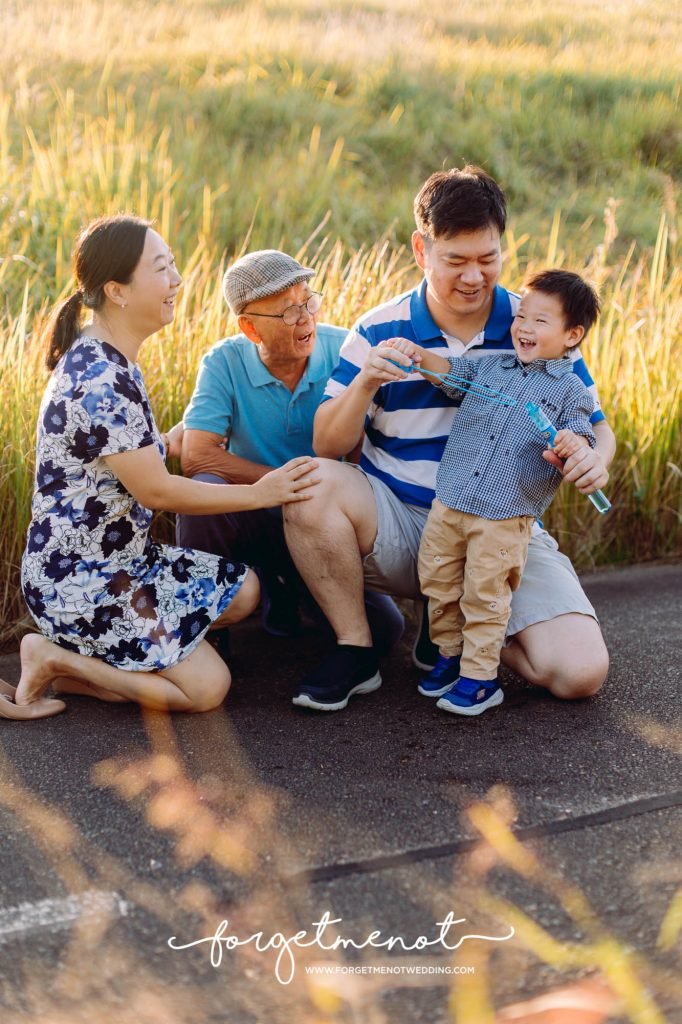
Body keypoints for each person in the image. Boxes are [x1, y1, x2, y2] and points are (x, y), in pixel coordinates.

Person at [285, 165, 615, 712]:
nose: (473, 276)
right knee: (310, 484)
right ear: (422, 249)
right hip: (402, 520)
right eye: (455, 260)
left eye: (487, 259)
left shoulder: (535, 321)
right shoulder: (379, 326)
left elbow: (595, 425)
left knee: (580, 673)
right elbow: (326, 444)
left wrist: (594, 458)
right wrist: (365, 381)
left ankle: (455, 633)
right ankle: (356, 648)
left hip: (502, 525)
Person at [0, 216, 318, 721]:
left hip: (125, 564)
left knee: (244, 592)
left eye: (173, 266)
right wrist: (264, 491)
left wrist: (171, 439)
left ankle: (97, 663)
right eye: (161, 269)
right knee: (208, 688)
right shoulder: (100, 378)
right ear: (117, 291)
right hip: (81, 584)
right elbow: (159, 493)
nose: (176, 280)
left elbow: (122, 451)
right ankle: (52, 657)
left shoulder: (112, 354)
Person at [385, 269, 600, 717]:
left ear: (572, 335)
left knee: (485, 595)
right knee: (439, 584)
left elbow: (584, 439)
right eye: (521, 316)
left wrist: (573, 447)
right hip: (452, 502)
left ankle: (480, 678)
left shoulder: (569, 390)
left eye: (540, 321)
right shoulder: (490, 367)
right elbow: (449, 373)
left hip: (504, 515)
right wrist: (417, 354)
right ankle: (448, 656)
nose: (523, 327)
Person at [176, 249, 404, 665]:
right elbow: (196, 456)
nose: (304, 318)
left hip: (322, 521)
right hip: (253, 507)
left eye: (307, 301)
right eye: (286, 312)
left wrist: (300, 492)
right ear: (249, 327)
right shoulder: (224, 361)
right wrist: (277, 486)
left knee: (386, 632)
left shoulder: (345, 348)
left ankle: (285, 590)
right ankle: (203, 632)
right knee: (202, 492)